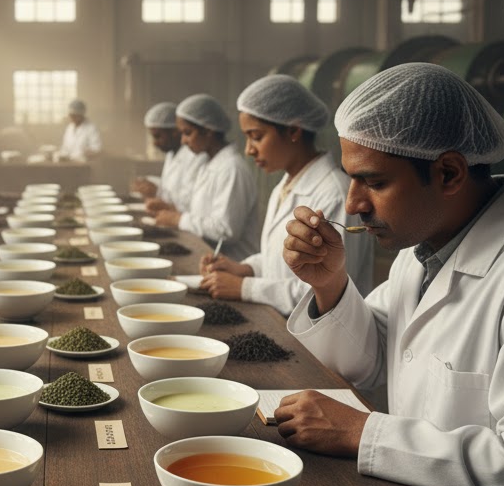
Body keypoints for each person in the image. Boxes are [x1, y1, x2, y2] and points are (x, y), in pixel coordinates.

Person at [277, 62, 504, 486]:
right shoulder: (425, 251)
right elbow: (374, 364)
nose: (352, 204)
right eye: (351, 178)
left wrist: (365, 434)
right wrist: (330, 284)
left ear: (451, 173)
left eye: (375, 181)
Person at [199, 76, 373, 314]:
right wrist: (245, 269)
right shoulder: (285, 185)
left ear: (293, 130)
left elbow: (331, 289)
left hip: (320, 341)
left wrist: (245, 288)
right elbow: (279, 261)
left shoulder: (335, 194)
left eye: (256, 136)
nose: (249, 149)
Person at [151, 94, 259, 260]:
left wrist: (179, 219)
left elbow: (226, 231)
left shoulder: (232, 169)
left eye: (187, 133)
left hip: (233, 263)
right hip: (208, 256)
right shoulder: (209, 164)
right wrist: (176, 212)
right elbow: (202, 215)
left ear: (208, 130)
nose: (183, 141)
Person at [131, 101, 207, 212]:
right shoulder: (171, 153)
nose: (154, 143)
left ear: (175, 131)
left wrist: (157, 191)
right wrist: (151, 185)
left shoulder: (196, 155)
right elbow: (171, 186)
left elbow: (190, 203)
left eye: (158, 136)